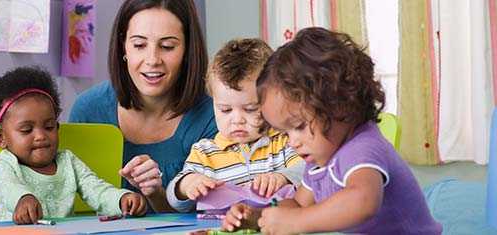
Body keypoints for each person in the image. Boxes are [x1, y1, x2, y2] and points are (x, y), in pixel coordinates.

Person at [222, 28, 442, 234]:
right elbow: (299, 204)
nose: (293, 142)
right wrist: (260, 217)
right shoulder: (319, 158)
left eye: (298, 126)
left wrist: (296, 222)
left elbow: (363, 200)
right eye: (285, 133)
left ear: (338, 103)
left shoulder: (363, 146)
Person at [68, 0, 217, 212]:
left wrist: (156, 194)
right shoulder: (88, 110)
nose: (152, 59)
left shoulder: (213, 117)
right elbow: (69, 202)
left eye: (167, 46)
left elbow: (208, 217)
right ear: (123, 46)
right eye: (139, 45)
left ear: (187, 51)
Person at [0, 67, 147, 224]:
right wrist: (23, 198)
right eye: (27, 130)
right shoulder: (4, 164)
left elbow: (96, 190)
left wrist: (121, 199)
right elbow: (7, 186)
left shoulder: (68, 161)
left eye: (49, 127)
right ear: (0, 138)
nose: (41, 136)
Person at [166, 38, 304, 213]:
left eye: (250, 109)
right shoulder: (205, 152)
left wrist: (283, 177)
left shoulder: (284, 141)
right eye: (225, 110)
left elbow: (309, 171)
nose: (237, 119)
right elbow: (174, 198)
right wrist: (188, 184)